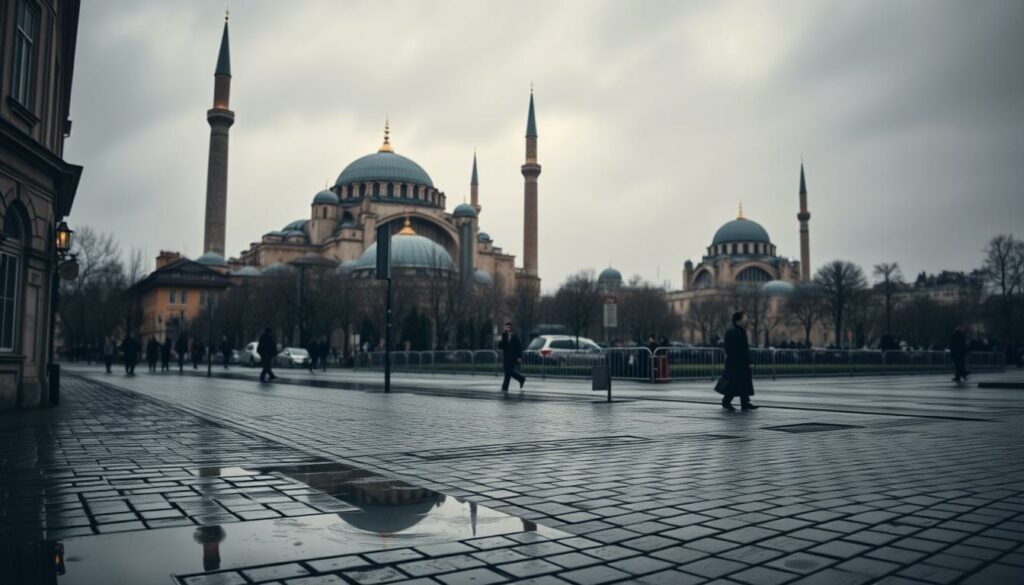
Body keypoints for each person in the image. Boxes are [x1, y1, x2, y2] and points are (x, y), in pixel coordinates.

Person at [719, 311, 757, 410]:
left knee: (742, 381)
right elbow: (739, 348)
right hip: (736, 362)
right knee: (734, 382)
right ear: (738, 320)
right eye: (745, 318)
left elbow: (744, 348)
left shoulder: (739, 330)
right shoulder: (734, 331)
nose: (747, 320)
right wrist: (747, 360)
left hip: (739, 361)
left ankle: (745, 402)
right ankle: (726, 401)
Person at [498, 321, 526, 392]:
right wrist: (501, 339)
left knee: (508, 373)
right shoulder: (504, 335)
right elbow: (501, 347)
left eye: (509, 327)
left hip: (513, 358)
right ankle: (521, 378)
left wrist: (519, 357)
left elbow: (519, 347)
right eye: (507, 327)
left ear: (511, 328)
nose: (508, 328)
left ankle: (504, 388)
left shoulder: (514, 335)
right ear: (505, 328)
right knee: (509, 372)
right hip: (506, 357)